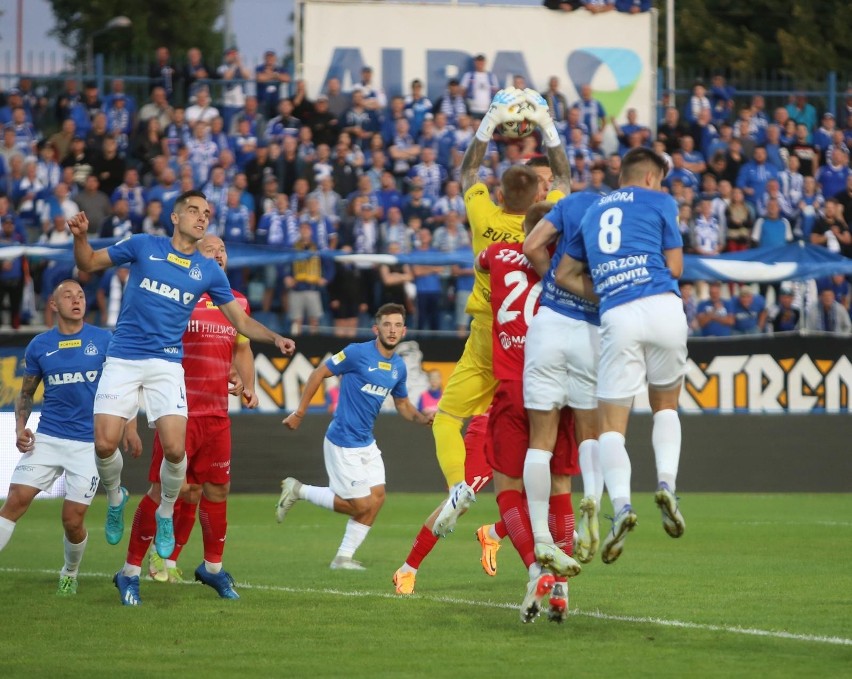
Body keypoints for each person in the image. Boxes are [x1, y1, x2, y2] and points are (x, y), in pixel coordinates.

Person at [67, 190, 296, 602]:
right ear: (174, 217)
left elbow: (241, 323)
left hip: (166, 365)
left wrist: (275, 336)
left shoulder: (208, 273)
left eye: (207, 213)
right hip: (124, 356)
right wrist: (81, 237)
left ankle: (169, 519)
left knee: (176, 454)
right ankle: (116, 496)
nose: (202, 217)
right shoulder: (142, 245)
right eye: (194, 210)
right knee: (103, 443)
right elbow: (87, 264)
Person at [429, 88, 571, 539]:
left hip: (487, 336)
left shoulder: (483, 216)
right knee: (540, 441)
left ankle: (457, 486)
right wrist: (547, 127)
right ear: (536, 200)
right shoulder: (545, 224)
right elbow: (565, 173)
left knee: (447, 419)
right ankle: (548, 526)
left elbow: (468, 169)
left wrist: (489, 124)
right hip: (532, 341)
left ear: (501, 194)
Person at [556, 147, 687, 564]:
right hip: (664, 306)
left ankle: (623, 508)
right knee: (665, 404)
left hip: (617, 313)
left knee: (611, 427)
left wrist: (605, 291)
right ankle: (666, 482)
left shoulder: (593, 211)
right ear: (650, 178)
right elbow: (676, 266)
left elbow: (563, 274)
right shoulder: (661, 201)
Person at [115, 235, 258, 605]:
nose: (220, 255)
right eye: (212, 250)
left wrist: (247, 383)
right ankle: (130, 570)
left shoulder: (236, 304)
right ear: (197, 259)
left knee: (216, 490)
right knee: (164, 491)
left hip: (217, 415)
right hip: (177, 413)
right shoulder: (178, 298)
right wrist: (132, 416)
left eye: (223, 250)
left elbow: (243, 349)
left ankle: (211, 568)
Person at [477, 204, 581, 623]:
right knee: (560, 484)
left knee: (508, 484)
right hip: (563, 384)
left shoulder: (501, 257)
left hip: (514, 385)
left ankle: (536, 569)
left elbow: (482, 258)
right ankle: (562, 590)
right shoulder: (566, 265)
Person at [0, 280, 136, 595]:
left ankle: (69, 572)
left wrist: (129, 427)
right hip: (47, 437)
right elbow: (26, 393)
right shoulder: (39, 345)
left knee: (72, 521)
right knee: (15, 502)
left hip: (88, 444)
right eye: (67, 295)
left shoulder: (104, 340)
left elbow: (125, 386)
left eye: (81, 295)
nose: (76, 300)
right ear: (53, 304)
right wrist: (20, 429)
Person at [276, 304, 434, 570]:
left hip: (366, 442)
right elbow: (318, 373)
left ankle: (343, 558)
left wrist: (422, 418)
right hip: (342, 440)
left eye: (397, 325)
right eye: (387, 324)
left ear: (404, 330)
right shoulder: (356, 353)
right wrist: (299, 413)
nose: (392, 330)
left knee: (378, 498)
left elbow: (404, 406)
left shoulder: (398, 367)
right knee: (360, 505)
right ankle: (298, 490)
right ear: (376, 328)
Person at [523, 192, 603, 567]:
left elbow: (533, 244)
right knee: (590, 435)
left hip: (549, 325)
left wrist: (552, 281)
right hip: (591, 332)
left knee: (540, 442)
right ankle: (593, 508)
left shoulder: (575, 202)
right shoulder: (636, 215)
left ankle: (541, 537)